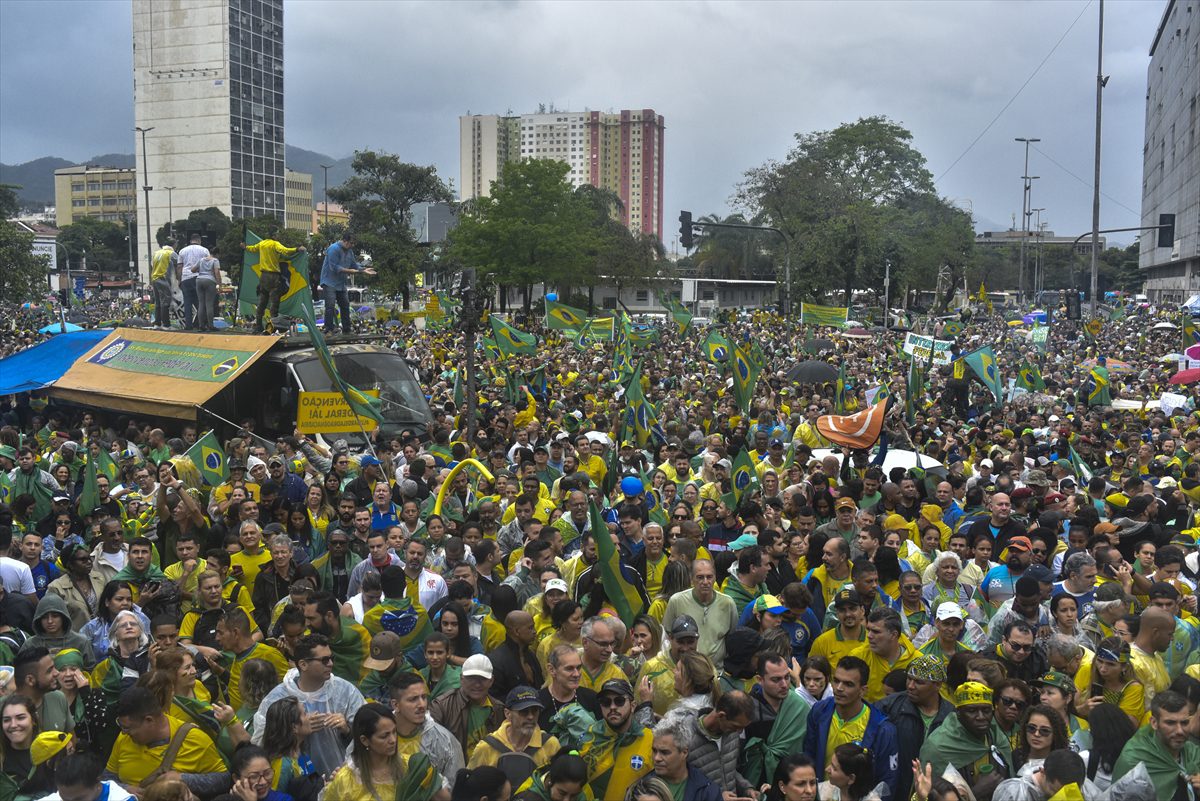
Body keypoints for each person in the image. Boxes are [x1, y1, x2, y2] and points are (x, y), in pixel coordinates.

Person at [251, 634, 363, 778]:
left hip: (343, 779)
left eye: (331, 658)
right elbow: (262, 744)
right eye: (324, 660)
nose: (330, 664)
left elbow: (368, 734)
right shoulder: (277, 698)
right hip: (298, 784)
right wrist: (295, 728)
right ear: (303, 664)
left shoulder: (344, 691)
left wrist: (347, 729)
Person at [106, 686, 227, 795]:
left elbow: (224, 780)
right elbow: (106, 777)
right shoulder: (124, 738)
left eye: (127, 728)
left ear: (149, 720)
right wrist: (124, 789)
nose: (123, 732)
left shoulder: (195, 739)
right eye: (121, 726)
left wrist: (182, 779)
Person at [802, 655, 898, 790]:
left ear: (863, 690)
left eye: (848, 684)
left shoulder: (882, 729)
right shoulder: (819, 712)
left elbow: (887, 780)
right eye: (836, 681)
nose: (839, 688)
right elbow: (808, 756)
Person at [320, 702, 447, 801]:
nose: (393, 740)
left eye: (394, 732)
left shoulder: (412, 767)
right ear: (365, 740)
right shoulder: (346, 779)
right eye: (384, 736)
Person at [919, 681, 1013, 797]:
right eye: (972, 711)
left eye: (986, 711)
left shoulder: (996, 737)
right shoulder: (937, 747)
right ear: (958, 713)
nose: (981, 717)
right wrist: (975, 792)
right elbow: (928, 796)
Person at [879, 655, 952, 801]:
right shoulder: (889, 706)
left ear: (937, 685)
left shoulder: (951, 716)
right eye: (909, 679)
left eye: (919, 682)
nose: (910, 686)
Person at [467, 686, 559, 790]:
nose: (531, 717)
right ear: (507, 714)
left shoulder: (550, 744)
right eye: (524, 712)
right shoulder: (486, 747)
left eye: (535, 711)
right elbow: (470, 789)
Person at [1113, 689, 1200, 800]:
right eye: (1170, 723)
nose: (1179, 730)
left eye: (1184, 723)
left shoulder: (1193, 753)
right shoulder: (1134, 762)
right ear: (1154, 723)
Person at [386, 672, 465, 791]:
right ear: (396, 705)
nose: (422, 704)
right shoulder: (377, 734)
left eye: (424, 697)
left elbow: (456, 790)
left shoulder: (445, 740)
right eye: (413, 699)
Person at [576, 679, 653, 799]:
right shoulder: (589, 737)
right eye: (606, 702)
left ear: (633, 706)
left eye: (619, 701)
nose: (612, 707)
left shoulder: (649, 739)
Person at [661, 559, 738, 670]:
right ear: (691, 579)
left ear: (715, 578)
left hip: (716, 671)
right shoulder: (677, 601)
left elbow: (732, 640)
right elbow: (666, 637)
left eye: (709, 577)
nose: (705, 582)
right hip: (683, 670)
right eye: (700, 577)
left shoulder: (728, 603)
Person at [430, 654, 505, 758]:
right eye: (471, 678)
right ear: (461, 678)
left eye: (482, 679)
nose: (477, 684)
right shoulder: (441, 706)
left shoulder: (499, 709)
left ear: (491, 681)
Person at [646, 716, 721, 801]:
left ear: (684, 752)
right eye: (654, 751)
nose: (657, 758)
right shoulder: (640, 789)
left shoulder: (707, 792)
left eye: (665, 752)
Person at [242, 237, 306, 333]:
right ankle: (273, 326)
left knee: (262, 302)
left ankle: (258, 325)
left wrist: (245, 247)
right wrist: (297, 249)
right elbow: (285, 251)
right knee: (274, 303)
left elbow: (252, 248)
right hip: (273, 276)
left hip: (263, 276)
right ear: (275, 236)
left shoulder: (262, 244)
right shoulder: (275, 244)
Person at [319, 234, 375, 334]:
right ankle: (328, 328)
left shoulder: (349, 251)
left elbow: (354, 265)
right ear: (345, 241)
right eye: (351, 243)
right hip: (329, 282)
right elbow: (334, 268)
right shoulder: (333, 249)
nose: (352, 245)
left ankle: (346, 329)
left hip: (341, 283)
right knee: (330, 305)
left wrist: (363, 269)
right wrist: (350, 271)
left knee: (345, 305)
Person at [992, 749, 1087, 801]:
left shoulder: (1083, 787)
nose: (1060, 798)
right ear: (1042, 772)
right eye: (1055, 791)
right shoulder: (1013, 793)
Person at [514, 749, 589, 801]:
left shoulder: (584, 792)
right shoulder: (526, 796)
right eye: (562, 793)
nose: (566, 800)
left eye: (573, 796)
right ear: (550, 780)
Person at [177, 233, 210, 330]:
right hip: (199, 278)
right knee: (200, 302)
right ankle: (202, 324)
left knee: (187, 302)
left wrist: (179, 280)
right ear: (199, 240)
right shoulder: (204, 250)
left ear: (191, 240)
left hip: (186, 278)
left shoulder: (182, 251)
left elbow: (179, 266)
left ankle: (188, 326)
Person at [151, 243, 179, 328]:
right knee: (165, 302)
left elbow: (152, 265)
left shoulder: (156, 253)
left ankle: (157, 323)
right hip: (163, 279)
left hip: (154, 278)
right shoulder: (171, 253)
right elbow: (179, 263)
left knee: (158, 302)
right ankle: (166, 324)